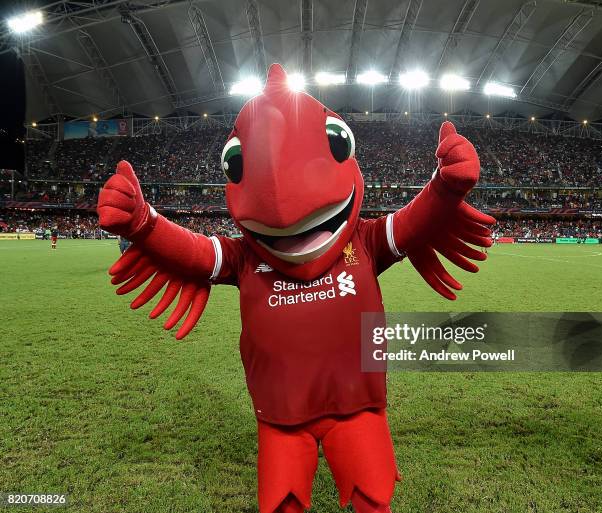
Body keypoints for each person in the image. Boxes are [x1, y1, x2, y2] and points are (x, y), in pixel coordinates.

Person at [97, 64, 494, 513]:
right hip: (281, 419)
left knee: (372, 501)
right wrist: (143, 224)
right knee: (282, 506)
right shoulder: (246, 257)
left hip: (357, 408)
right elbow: (192, 253)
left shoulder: (363, 240)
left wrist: (445, 188)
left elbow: (412, 224)